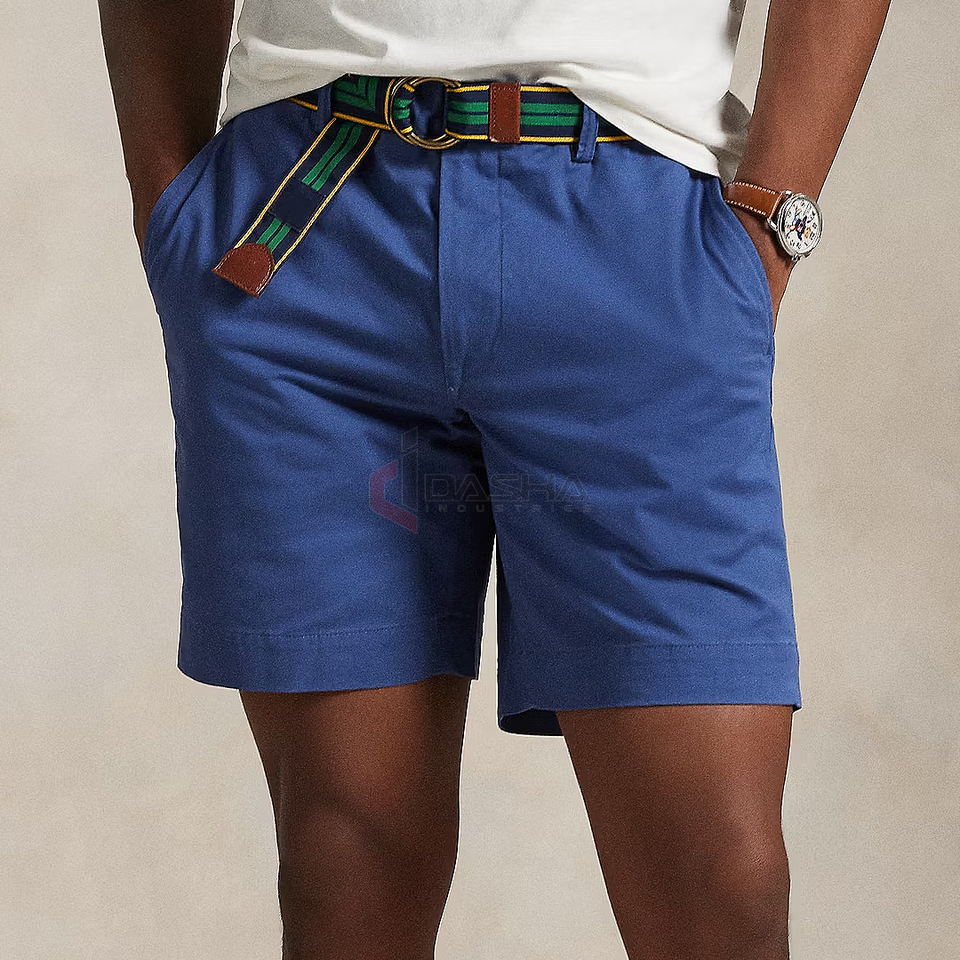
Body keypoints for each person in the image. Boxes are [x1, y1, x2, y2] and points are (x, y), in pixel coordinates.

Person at [98, 1, 891, 957]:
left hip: (638, 233)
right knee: (347, 866)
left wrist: (770, 222)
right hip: (304, 223)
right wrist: (169, 206)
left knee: (718, 880)